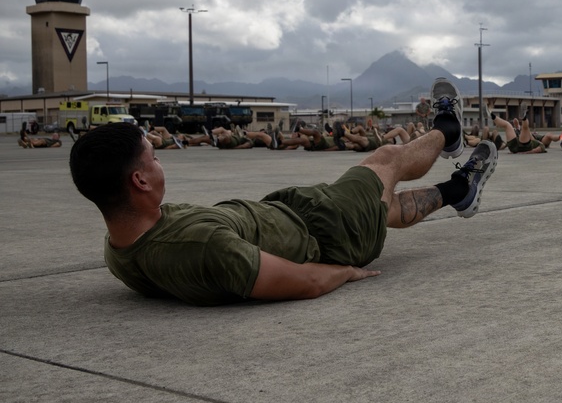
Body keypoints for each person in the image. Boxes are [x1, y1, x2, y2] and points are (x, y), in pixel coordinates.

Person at [68, 78, 498, 306]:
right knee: (385, 161)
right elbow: (303, 281)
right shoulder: (203, 246)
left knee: (381, 206)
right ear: (139, 181)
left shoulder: (119, 245)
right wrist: (344, 272)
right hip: (327, 230)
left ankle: (459, 189)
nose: (162, 162)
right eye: (153, 158)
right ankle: (447, 131)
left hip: (298, 215)